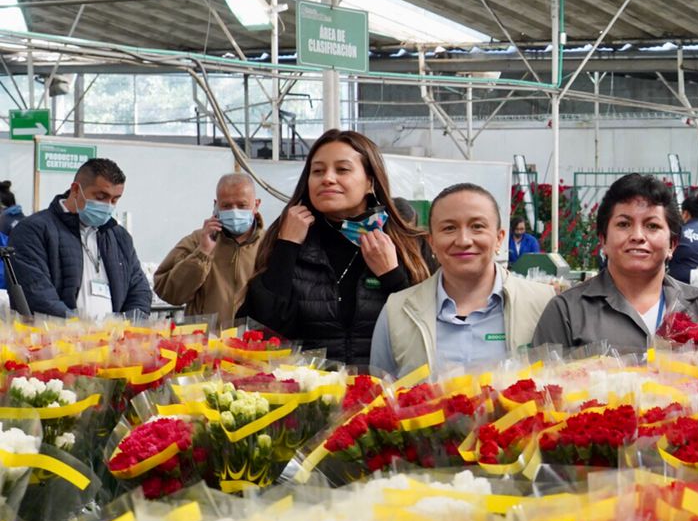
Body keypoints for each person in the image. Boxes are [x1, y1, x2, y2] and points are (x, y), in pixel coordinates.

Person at [238, 130, 428, 367]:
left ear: (370, 181)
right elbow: (260, 333)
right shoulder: (287, 239)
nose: (327, 178)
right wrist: (286, 248)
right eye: (317, 171)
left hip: (387, 387)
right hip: (308, 388)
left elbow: (427, 334)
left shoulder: (408, 243)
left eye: (342, 169)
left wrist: (393, 277)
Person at [371, 184, 557, 377]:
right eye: (449, 228)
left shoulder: (542, 303)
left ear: (499, 238)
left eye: (477, 227)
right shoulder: (397, 311)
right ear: (432, 242)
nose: (463, 241)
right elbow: (379, 390)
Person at [533, 174, 698, 354]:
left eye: (652, 226)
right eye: (624, 224)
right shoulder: (566, 311)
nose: (637, 236)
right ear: (603, 240)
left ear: (672, 244)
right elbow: (542, 375)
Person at [10, 158, 151, 319]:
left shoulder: (119, 237)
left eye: (114, 200)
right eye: (100, 197)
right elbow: (36, 294)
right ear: (76, 190)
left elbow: (140, 291)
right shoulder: (34, 230)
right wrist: (80, 328)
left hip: (113, 334)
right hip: (58, 334)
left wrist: (125, 325)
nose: (108, 206)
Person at [152, 173, 265, 327]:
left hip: (254, 340)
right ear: (216, 205)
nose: (234, 212)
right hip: (205, 339)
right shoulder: (196, 241)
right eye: (226, 206)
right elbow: (168, 292)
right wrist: (202, 253)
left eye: (242, 205)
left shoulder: (269, 244)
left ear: (256, 205)